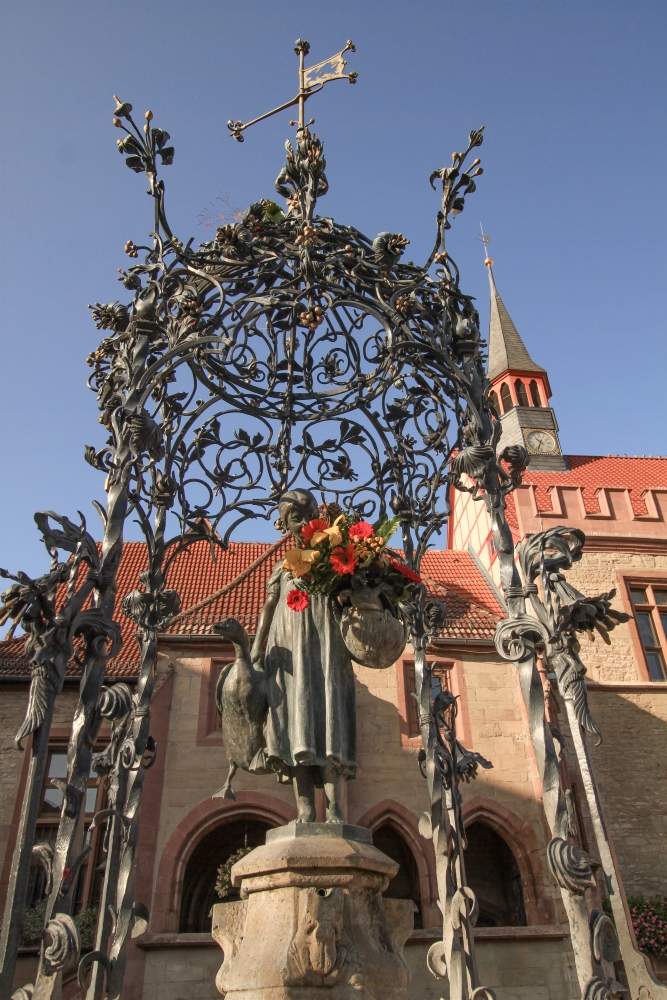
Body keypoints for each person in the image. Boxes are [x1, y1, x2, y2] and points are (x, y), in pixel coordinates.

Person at [251, 489, 356, 822]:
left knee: (330, 717)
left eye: (308, 515)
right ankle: (306, 810)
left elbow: (350, 595)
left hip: (325, 646)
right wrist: (257, 644)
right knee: (295, 723)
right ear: (284, 524)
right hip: (288, 650)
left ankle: (337, 809)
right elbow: (269, 605)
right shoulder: (282, 568)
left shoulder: (333, 555)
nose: (303, 522)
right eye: (294, 517)